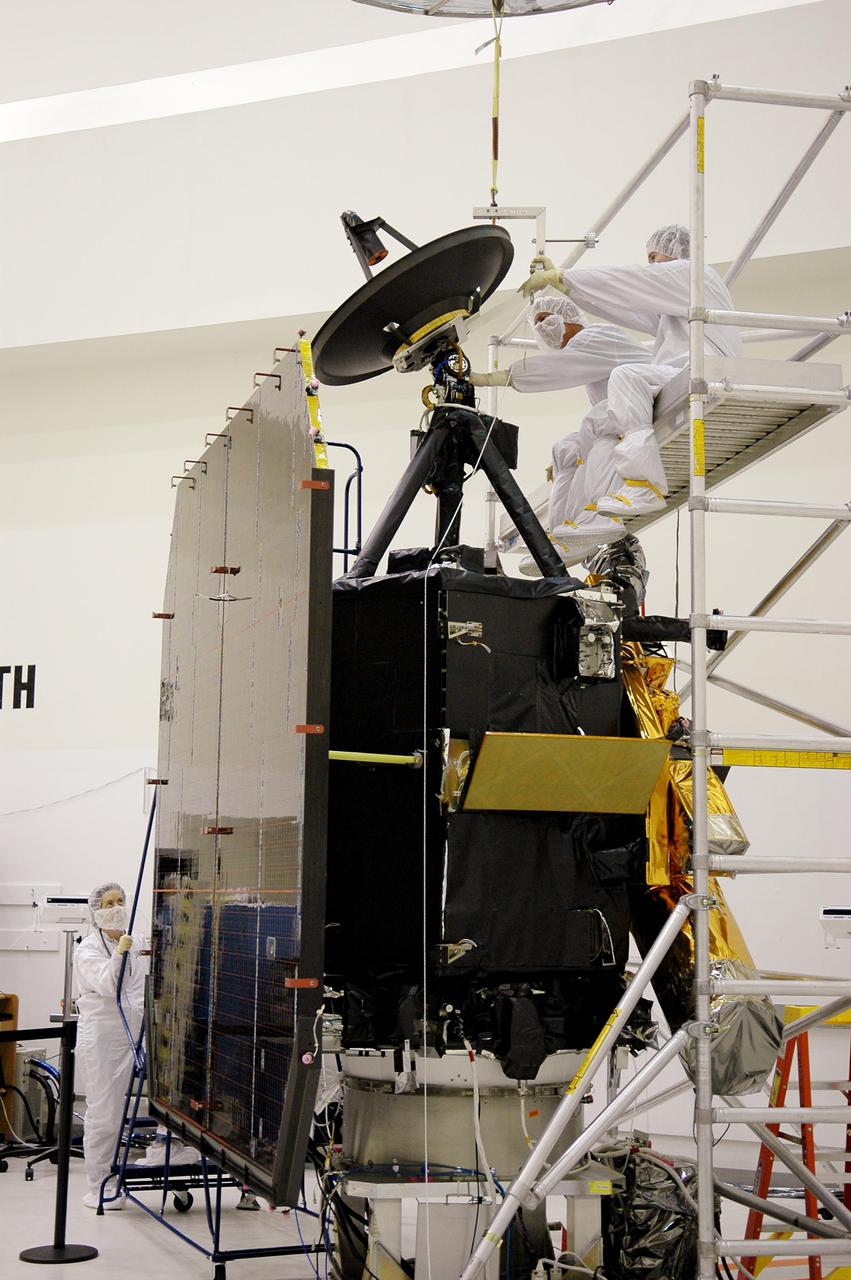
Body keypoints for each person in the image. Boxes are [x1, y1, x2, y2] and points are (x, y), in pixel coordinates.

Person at [518, 223, 741, 521]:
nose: (650, 264)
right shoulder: (675, 299)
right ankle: (587, 522)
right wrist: (566, 285)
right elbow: (624, 304)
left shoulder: (692, 274)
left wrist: (563, 277)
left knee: (625, 376)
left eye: (654, 256)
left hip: (704, 368)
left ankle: (643, 484)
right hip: (680, 373)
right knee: (598, 422)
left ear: (678, 251)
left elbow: (628, 283)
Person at [469, 293, 653, 568]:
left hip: (641, 404)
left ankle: (592, 521)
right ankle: (560, 536)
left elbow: (555, 369)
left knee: (590, 435)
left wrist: (495, 378)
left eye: (546, 318)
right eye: (536, 322)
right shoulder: (581, 350)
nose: (542, 327)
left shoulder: (593, 338)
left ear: (568, 316)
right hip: (618, 415)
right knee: (565, 449)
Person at [73, 881, 145, 1208]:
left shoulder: (138, 941)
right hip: (103, 1035)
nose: (116, 907)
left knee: (166, 1096)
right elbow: (108, 985)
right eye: (108, 903)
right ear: (96, 912)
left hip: (139, 1029)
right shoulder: (87, 948)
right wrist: (119, 953)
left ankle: (162, 1149)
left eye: (120, 900)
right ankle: (100, 1181)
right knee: (105, 1110)